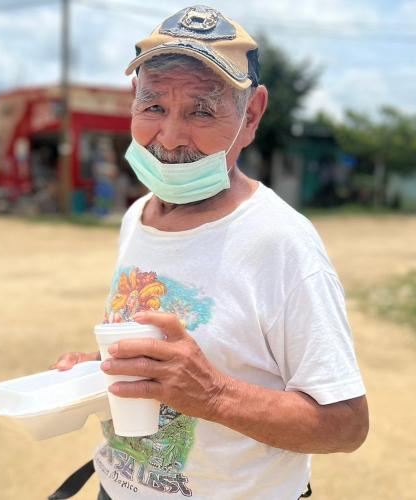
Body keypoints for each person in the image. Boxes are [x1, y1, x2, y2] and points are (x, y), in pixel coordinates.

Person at [50, 5, 368, 499]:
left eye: (201, 110)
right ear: (134, 101)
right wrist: (99, 365)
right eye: (154, 106)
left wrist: (215, 395)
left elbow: (346, 424)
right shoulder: (139, 217)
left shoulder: (282, 241)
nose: (171, 136)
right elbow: (173, 346)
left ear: (251, 115)